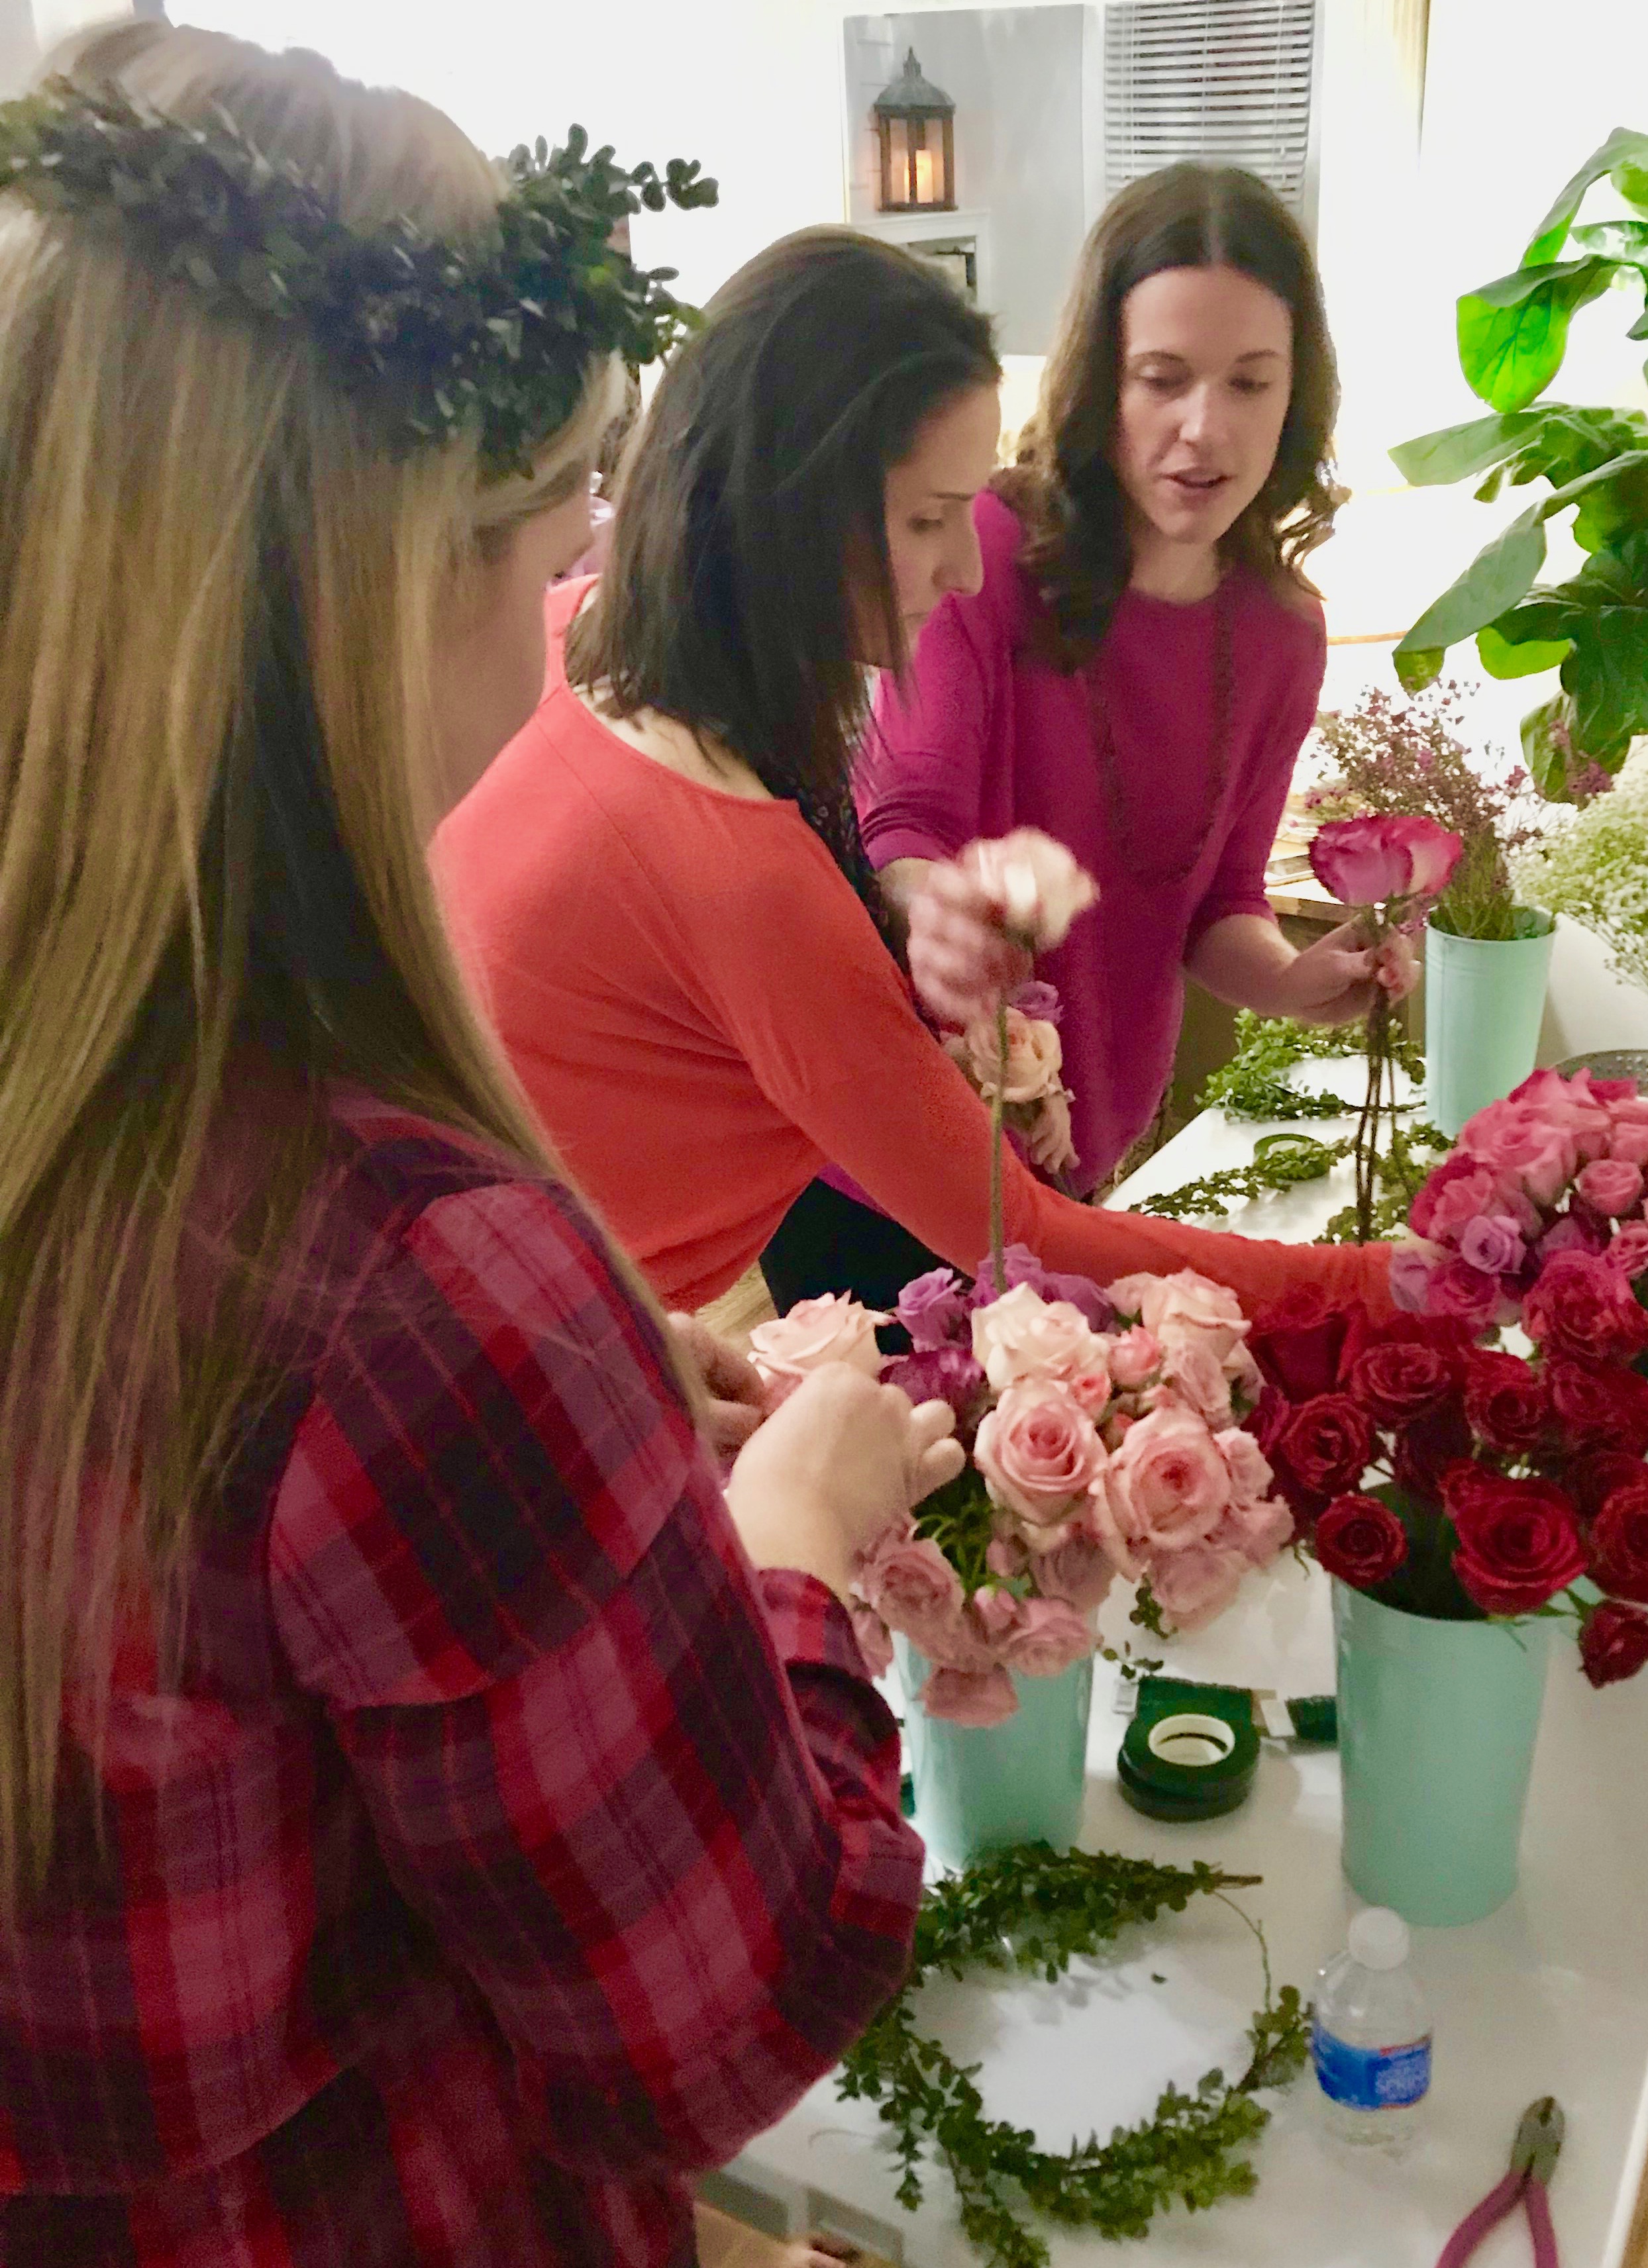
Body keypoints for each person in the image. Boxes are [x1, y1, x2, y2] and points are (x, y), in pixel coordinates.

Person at [0, 25, 958, 2265]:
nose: (580, 584)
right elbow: (711, 2031)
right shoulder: (417, 1287)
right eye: (563, 514)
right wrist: (791, 1546)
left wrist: (597, 1378)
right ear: (401, 572)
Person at [436, 228, 1393, 1324]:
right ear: (795, 510)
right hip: (557, 1359)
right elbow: (1026, 1239)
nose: (968, 564)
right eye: (931, 520)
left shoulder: (575, 638)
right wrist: (1390, 1286)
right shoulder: (744, 878)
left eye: (1253, 382)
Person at [858, 164, 1417, 1217]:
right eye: (1163, 377)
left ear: (1298, 394)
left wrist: (1298, 982)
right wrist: (941, 914)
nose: (1205, 429)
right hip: (902, 1143)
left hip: (1083, 1147)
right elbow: (905, 825)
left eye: (1249, 382)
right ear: (1101, 383)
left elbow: (1217, 906)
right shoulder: (986, 554)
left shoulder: (1283, 633)